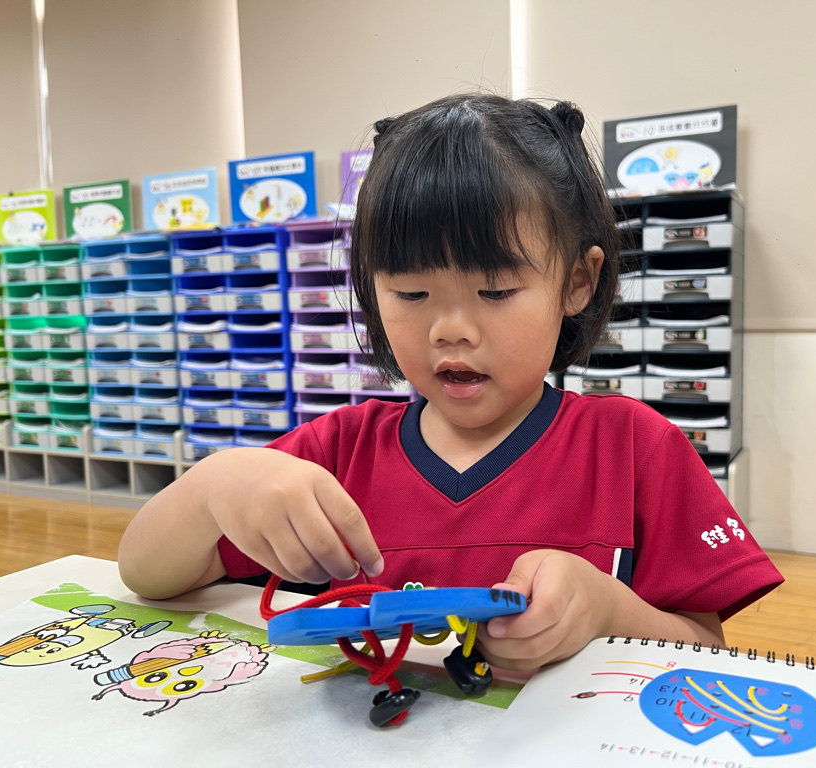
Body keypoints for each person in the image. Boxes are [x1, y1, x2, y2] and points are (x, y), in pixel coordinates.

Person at [118, 93, 782, 671]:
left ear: (577, 281)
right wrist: (216, 486)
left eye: (496, 291)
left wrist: (609, 610)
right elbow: (145, 572)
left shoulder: (635, 449)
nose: (451, 330)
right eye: (411, 293)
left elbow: (706, 649)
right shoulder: (336, 454)